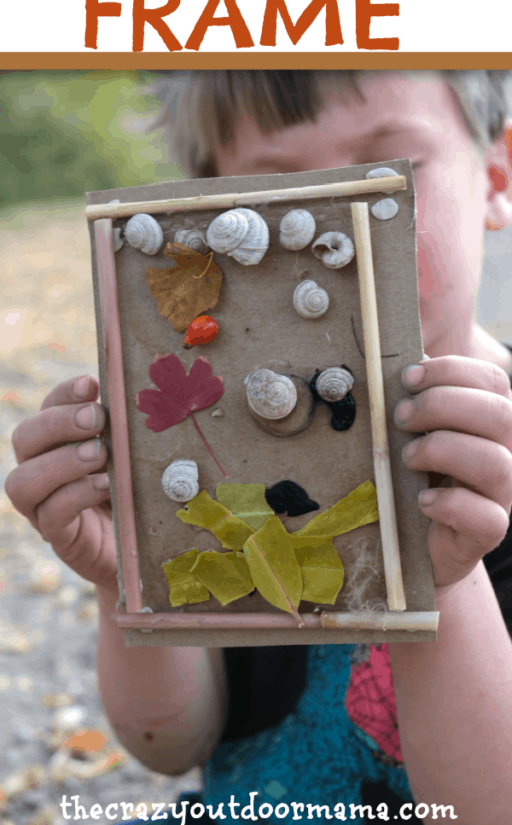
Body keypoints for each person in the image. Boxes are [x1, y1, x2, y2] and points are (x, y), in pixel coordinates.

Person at [6, 70, 512, 824]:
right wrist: (127, 580)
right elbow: (172, 741)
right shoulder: (206, 448)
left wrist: (434, 578)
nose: (341, 225)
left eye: (384, 168)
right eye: (289, 184)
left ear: (496, 176)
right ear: (207, 209)